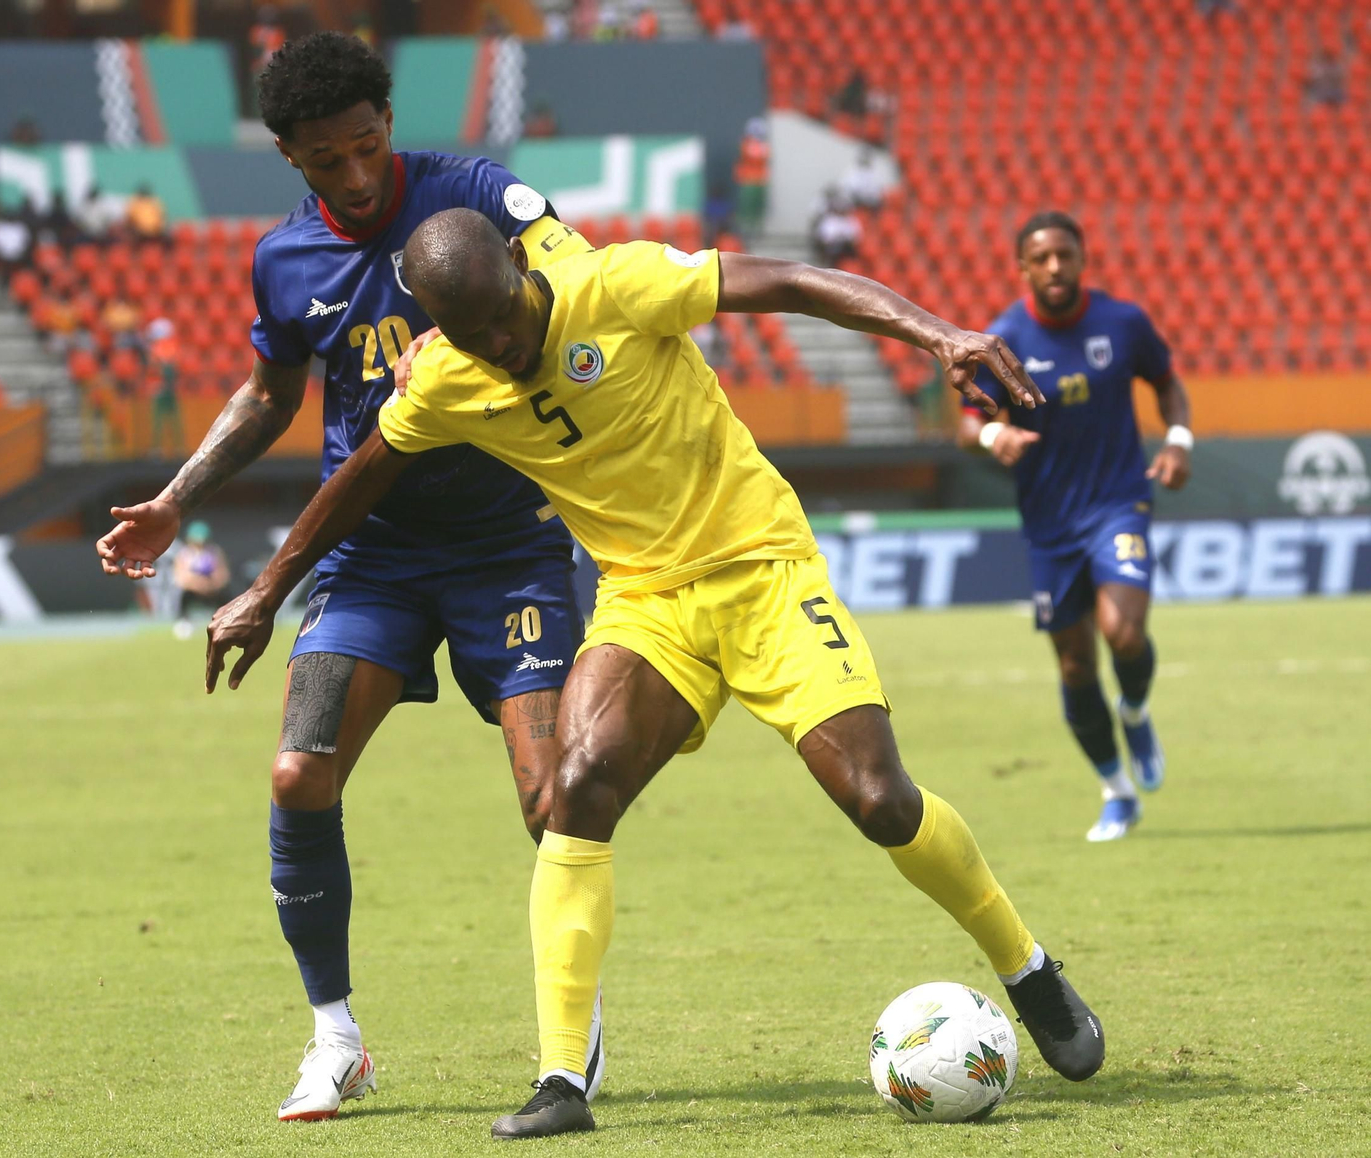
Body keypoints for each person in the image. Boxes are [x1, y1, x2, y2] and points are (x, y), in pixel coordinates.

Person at [201, 208, 1108, 1139]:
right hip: (645, 602)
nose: (502, 347)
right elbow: (364, 471)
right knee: (574, 789)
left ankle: (1026, 968)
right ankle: (561, 1079)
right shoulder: (442, 376)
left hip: (763, 570)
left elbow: (788, 282)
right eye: (473, 335)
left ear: (519, 264)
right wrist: (266, 591)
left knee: (878, 798)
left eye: (504, 320)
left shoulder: (620, 286)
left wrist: (938, 333)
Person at [93, 32, 606, 1123]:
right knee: (295, 776)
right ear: (290, 156)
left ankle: (571, 1031)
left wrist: (482, 332)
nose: (357, 176)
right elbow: (271, 395)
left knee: (551, 799)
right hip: (367, 553)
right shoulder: (284, 260)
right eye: (328, 161)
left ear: (389, 122)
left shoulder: (479, 196)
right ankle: (335, 1038)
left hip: (507, 540)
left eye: (369, 146)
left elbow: (579, 285)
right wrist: (178, 497)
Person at [957, 211, 1191, 843]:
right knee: (1074, 667)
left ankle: (1136, 710)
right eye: (1042, 257)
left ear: (1083, 257)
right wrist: (993, 431)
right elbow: (967, 422)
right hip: (1049, 522)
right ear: (1024, 267)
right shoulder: (1003, 341)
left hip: (1119, 501)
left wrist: (1178, 439)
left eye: (1065, 254)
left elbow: (1169, 386)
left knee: (1123, 631)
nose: (1055, 266)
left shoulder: (1124, 323)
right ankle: (1117, 792)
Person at [171, 521, 231, 639]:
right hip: (192, 590)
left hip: (212, 590)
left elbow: (223, 575)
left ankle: (225, 623)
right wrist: (198, 584)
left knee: (226, 596)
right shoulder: (184, 554)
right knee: (182, 595)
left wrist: (211, 585)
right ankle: (184, 623)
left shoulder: (215, 552)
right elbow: (180, 577)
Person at [146, 318, 184, 458]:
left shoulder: (163, 348)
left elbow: (164, 367)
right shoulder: (165, 348)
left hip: (165, 389)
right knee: (163, 420)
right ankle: (162, 448)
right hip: (162, 389)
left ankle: (173, 447)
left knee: (169, 420)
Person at [733, 118, 769, 237]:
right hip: (748, 180)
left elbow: (763, 158)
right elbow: (748, 156)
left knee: (758, 207)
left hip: (760, 181)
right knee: (746, 206)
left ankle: (757, 229)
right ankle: (745, 228)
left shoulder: (764, 146)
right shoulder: (746, 144)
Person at [810, 187, 861, 267]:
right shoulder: (829, 220)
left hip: (846, 248)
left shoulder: (851, 220)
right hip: (832, 247)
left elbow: (856, 237)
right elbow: (825, 238)